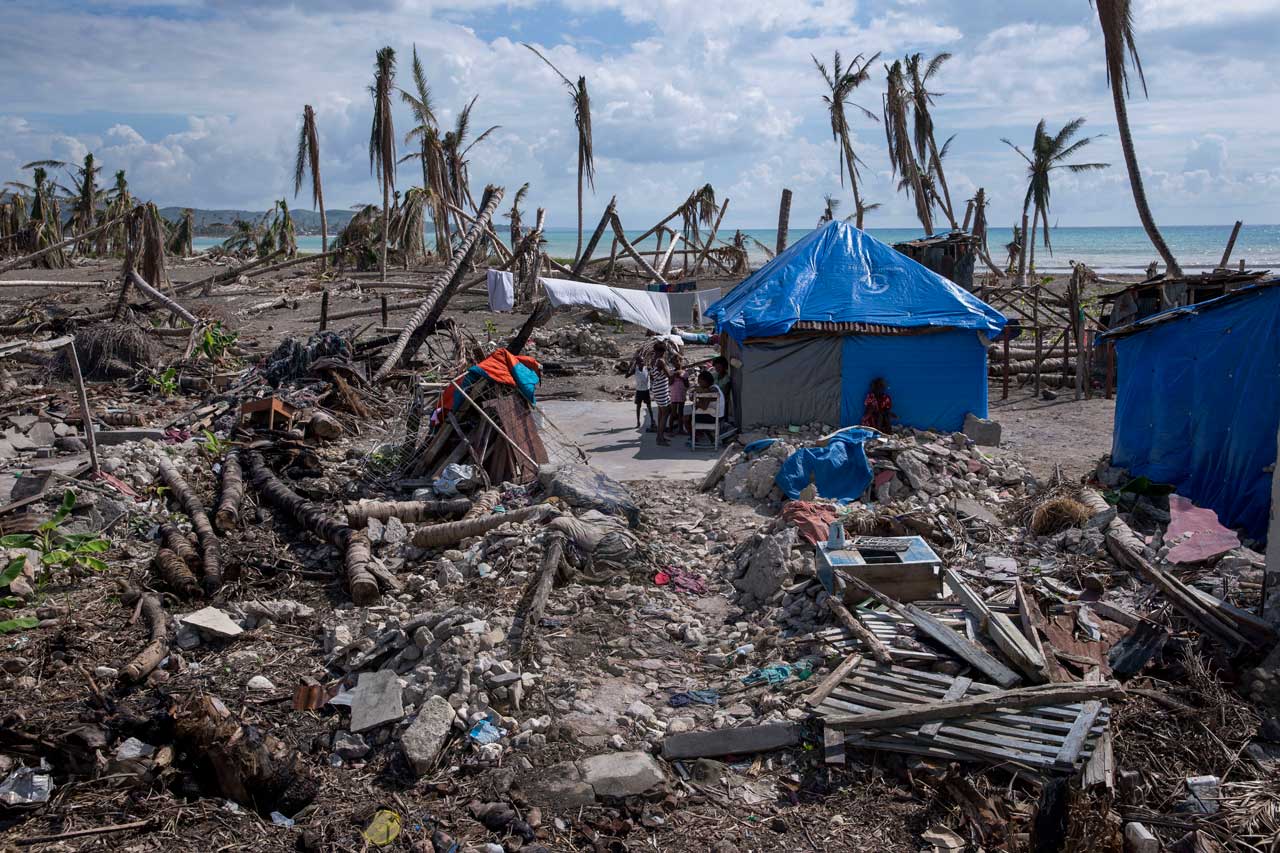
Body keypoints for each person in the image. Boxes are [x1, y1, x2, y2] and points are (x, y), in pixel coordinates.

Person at [648, 340, 672, 445]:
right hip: (662, 389)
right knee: (666, 412)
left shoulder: (652, 360)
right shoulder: (661, 361)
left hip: (657, 388)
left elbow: (653, 376)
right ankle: (660, 438)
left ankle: (660, 435)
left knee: (661, 412)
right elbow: (669, 375)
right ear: (663, 351)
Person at [627, 354, 653, 430]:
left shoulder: (647, 369)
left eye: (643, 361)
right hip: (639, 391)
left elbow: (652, 376)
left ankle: (652, 421)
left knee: (649, 407)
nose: (642, 362)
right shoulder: (635, 370)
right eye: (640, 361)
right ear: (637, 363)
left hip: (646, 390)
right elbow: (626, 376)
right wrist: (630, 366)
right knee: (638, 407)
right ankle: (638, 422)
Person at [668, 355, 687, 435]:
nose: (676, 363)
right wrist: (674, 376)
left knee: (681, 412)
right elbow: (670, 383)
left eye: (677, 361)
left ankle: (681, 429)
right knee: (673, 413)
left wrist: (682, 378)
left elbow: (687, 385)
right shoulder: (672, 372)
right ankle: (670, 429)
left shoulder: (685, 372)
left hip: (682, 394)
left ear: (681, 361)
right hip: (674, 395)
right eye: (674, 362)